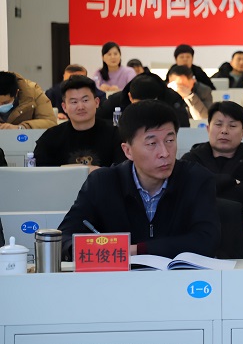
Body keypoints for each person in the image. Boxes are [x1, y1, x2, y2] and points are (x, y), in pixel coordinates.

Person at [58, 100, 220, 260]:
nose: (165, 153)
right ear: (128, 151)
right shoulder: (102, 183)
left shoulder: (196, 178)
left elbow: (207, 240)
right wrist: (97, 249)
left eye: (169, 141)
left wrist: (134, 250)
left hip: (181, 276)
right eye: (152, 143)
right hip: (117, 276)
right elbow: (64, 238)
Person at [181, 101, 243, 207]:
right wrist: (229, 181)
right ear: (208, 129)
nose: (224, 131)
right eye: (218, 124)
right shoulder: (192, 159)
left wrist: (206, 191)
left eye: (232, 125)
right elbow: (183, 189)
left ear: (242, 133)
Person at [34, 75, 125, 169]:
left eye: (85, 100)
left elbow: (122, 171)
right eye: (74, 102)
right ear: (64, 107)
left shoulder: (115, 135)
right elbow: (40, 173)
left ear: (97, 102)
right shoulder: (50, 137)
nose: (80, 107)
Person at [98, 73, 191, 127]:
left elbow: (183, 127)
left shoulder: (172, 100)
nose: (143, 109)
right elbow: (98, 121)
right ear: (130, 97)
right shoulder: (117, 100)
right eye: (139, 104)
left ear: (157, 99)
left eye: (148, 105)